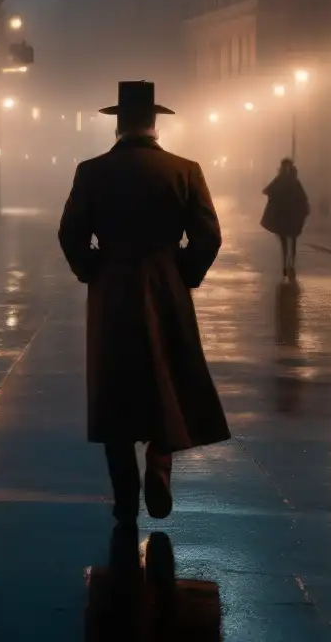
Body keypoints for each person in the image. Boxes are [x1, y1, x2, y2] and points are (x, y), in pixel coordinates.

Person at [58, 81, 230, 526]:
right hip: (166, 282)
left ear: (118, 123)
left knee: (115, 383)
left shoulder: (91, 171)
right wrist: (183, 271)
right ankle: (160, 458)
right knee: (165, 375)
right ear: (155, 123)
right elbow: (209, 235)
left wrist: (91, 268)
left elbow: (71, 234)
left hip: (113, 286)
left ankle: (124, 501)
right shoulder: (184, 170)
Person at [260, 158, 310, 279]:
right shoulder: (293, 180)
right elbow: (303, 197)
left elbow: (266, 190)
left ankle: (287, 265)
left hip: (284, 215)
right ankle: (289, 265)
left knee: (286, 242)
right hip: (289, 215)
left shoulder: (281, 179)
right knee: (291, 241)